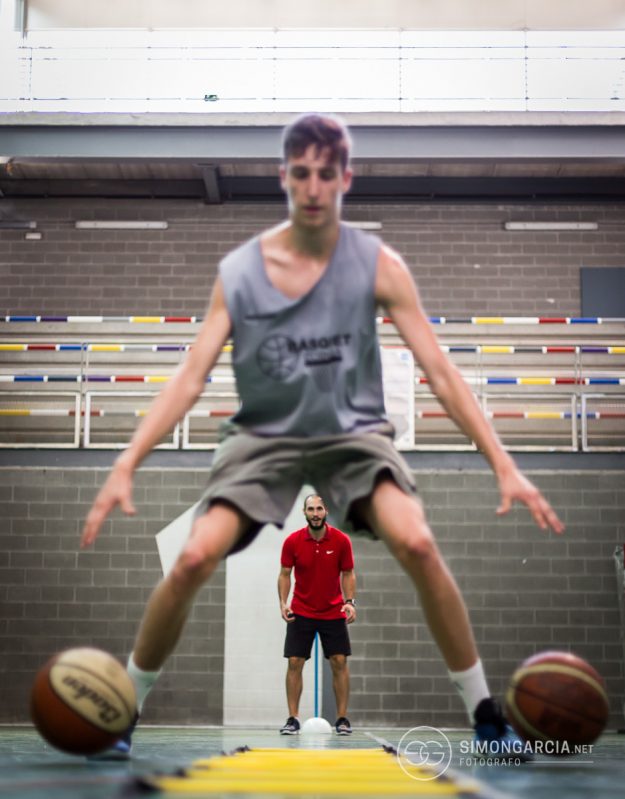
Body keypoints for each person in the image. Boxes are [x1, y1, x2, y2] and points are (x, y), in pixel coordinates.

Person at [80, 112, 564, 758]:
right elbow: (189, 376)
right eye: (301, 174)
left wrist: (502, 462)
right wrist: (126, 461)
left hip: (351, 432)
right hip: (264, 437)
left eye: (326, 174)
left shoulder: (378, 265)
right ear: (283, 176)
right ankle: (125, 711)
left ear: (345, 178)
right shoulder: (240, 272)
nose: (312, 187)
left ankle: (484, 715)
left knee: (418, 540)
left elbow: (441, 372)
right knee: (195, 556)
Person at [278, 493, 356, 735]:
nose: (315, 513)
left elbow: (348, 573)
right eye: (310, 509)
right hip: (301, 610)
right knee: (294, 662)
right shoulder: (292, 541)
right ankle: (293, 718)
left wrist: (350, 602)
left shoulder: (341, 541)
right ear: (304, 513)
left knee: (339, 662)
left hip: (333, 611)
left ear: (325, 512)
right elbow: (284, 573)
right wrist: (283, 603)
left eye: (319, 509)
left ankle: (342, 719)